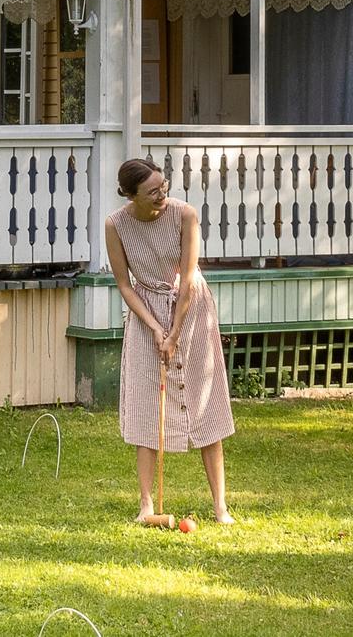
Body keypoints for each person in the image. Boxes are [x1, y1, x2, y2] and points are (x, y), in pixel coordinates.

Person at [106, 157, 235, 525]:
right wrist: (154, 329)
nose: (162, 195)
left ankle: (220, 508)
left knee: (205, 402)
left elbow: (189, 278)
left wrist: (174, 333)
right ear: (131, 195)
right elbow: (125, 286)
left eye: (163, 187)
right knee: (147, 406)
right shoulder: (116, 225)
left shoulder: (185, 215)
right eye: (152, 192)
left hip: (189, 310)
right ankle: (147, 505)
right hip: (145, 315)